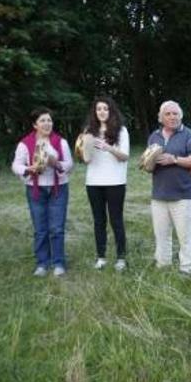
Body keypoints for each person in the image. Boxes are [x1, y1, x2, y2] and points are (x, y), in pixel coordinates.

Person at [11, 107, 73, 277]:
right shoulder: (25, 144)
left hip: (58, 188)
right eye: (43, 121)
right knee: (40, 228)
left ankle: (59, 262)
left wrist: (57, 164)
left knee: (57, 228)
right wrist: (28, 168)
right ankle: (42, 263)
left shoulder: (61, 142)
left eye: (49, 120)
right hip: (35, 189)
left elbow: (69, 165)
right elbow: (16, 165)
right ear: (35, 124)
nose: (47, 124)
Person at [148, 100, 191, 273]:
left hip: (183, 194)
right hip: (159, 194)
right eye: (168, 114)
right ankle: (163, 264)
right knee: (161, 234)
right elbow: (148, 163)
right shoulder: (154, 136)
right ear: (161, 118)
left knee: (185, 236)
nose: (172, 117)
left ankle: (187, 267)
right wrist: (147, 163)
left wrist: (175, 160)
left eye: (175, 113)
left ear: (181, 115)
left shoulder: (190, 135)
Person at [83, 96, 130, 272]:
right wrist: (85, 149)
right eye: (98, 109)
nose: (102, 112)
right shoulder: (89, 131)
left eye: (105, 108)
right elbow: (85, 159)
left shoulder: (121, 131)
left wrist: (107, 147)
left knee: (116, 220)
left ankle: (121, 257)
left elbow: (125, 156)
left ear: (111, 111)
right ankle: (101, 257)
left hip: (115, 182)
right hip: (93, 182)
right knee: (98, 220)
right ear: (95, 112)